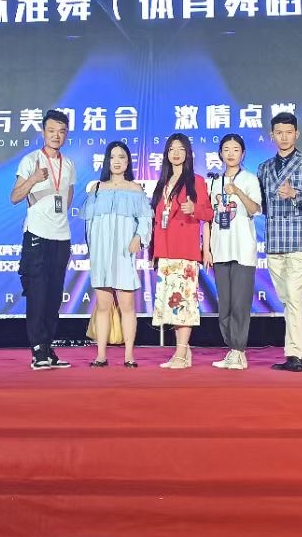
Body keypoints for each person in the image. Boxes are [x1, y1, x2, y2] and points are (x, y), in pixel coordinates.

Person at [256, 111, 302, 372]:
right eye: (279, 133)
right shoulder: (264, 168)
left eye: (288, 132)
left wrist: (295, 193)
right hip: (274, 240)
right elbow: (261, 204)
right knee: (288, 299)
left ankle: (293, 355)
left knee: (294, 296)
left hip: (298, 238)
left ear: (297, 134)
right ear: (272, 135)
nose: (284, 137)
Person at [10, 109, 76, 370]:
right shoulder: (30, 160)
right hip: (37, 235)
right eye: (51, 131)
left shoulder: (68, 164)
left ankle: (48, 347)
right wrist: (34, 179)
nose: (56, 136)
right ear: (43, 132)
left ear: (66, 134)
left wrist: (56, 216)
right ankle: (37, 350)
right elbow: (15, 197)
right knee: (37, 294)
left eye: (61, 131)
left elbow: (67, 197)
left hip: (62, 237)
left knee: (53, 296)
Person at [81, 141, 151, 369]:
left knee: (127, 306)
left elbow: (145, 220)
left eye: (122, 157)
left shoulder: (135, 189)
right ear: (107, 161)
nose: (117, 161)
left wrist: (138, 237)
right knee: (103, 306)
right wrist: (93, 249)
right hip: (101, 255)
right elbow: (89, 224)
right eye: (113, 157)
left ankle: (129, 355)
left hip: (124, 253)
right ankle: (101, 355)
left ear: (128, 162)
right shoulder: (97, 189)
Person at [150, 133, 214, 368]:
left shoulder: (196, 181)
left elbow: (208, 214)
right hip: (165, 250)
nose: (175, 153)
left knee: (183, 304)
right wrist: (154, 252)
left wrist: (194, 209)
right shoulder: (163, 182)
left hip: (185, 250)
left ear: (187, 153)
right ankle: (183, 354)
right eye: (171, 149)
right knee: (173, 304)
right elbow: (158, 220)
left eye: (180, 149)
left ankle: (180, 353)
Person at [207, 133, 262, 370]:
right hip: (220, 249)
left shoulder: (249, 179)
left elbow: (255, 209)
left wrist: (238, 192)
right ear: (220, 153)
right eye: (226, 149)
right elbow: (208, 218)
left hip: (242, 250)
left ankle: (239, 351)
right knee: (225, 305)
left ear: (243, 153)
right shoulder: (213, 182)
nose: (230, 153)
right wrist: (207, 249)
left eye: (235, 149)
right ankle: (232, 349)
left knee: (240, 303)